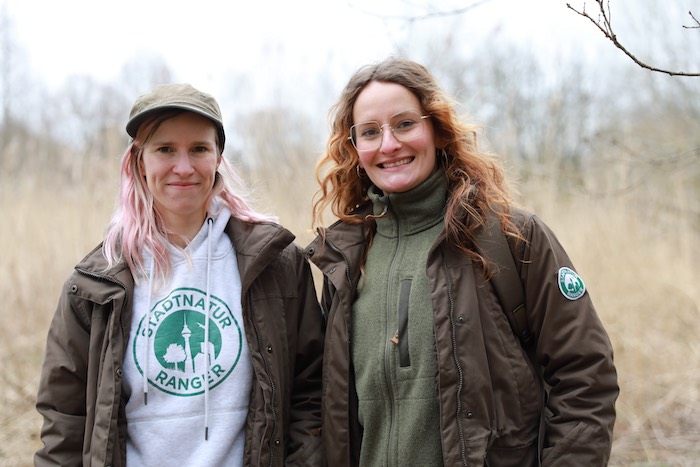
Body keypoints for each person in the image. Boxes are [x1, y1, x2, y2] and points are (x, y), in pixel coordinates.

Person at [305, 57, 618, 466]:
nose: (389, 144)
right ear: (354, 148)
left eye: (404, 124)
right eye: (370, 132)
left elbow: (585, 378)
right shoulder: (345, 257)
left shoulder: (510, 237)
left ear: (436, 129)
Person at [35, 83, 325, 466]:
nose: (184, 167)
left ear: (218, 158)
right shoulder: (94, 284)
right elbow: (65, 419)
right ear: (140, 162)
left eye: (199, 149)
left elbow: (310, 392)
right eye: (165, 149)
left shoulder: (277, 265)